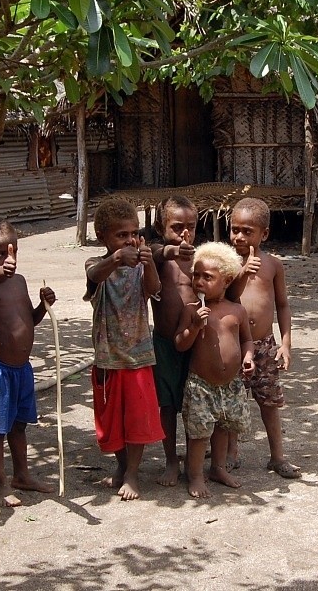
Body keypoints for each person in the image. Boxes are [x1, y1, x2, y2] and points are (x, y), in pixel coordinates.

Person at [0, 216, 56, 507]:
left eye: (14, 251)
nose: (10, 259)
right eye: (0, 253)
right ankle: (0, 483)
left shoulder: (19, 281)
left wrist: (43, 307)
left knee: (19, 426)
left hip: (22, 369)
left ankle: (22, 475)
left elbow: (29, 321)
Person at [85, 198, 164, 500]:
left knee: (136, 419)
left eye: (133, 233)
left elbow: (154, 289)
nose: (129, 240)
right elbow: (94, 276)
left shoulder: (139, 268)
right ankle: (120, 466)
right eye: (121, 235)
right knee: (112, 420)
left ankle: (132, 472)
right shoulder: (97, 265)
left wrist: (150, 262)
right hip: (108, 357)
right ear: (102, 237)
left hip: (139, 356)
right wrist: (118, 258)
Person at [175, 241, 254, 498]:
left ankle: (218, 468)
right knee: (199, 433)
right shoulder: (191, 311)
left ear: (227, 281)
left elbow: (246, 340)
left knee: (224, 426)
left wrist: (248, 357)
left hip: (230, 385)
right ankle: (195, 475)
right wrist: (195, 326)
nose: (198, 281)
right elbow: (180, 344)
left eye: (207, 277)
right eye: (196, 275)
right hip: (201, 385)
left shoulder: (237, 311)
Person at [227, 198, 298, 478]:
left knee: (269, 401)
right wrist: (242, 272)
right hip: (233, 345)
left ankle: (277, 456)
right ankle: (230, 453)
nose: (239, 237)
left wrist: (286, 343)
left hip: (265, 346)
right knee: (232, 400)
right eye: (235, 230)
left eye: (247, 231)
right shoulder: (225, 263)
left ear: (264, 234)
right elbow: (227, 297)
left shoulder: (273, 265)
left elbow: (282, 305)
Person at [148, 196, 198, 486]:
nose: (184, 234)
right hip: (164, 342)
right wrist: (169, 250)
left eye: (190, 226)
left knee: (193, 404)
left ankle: (193, 465)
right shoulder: (159, 256)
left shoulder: (198, 259)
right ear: (160, 227)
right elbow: (156, 253)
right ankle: (169, 460)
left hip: (194, 343)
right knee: (166, 404)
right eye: (177, 227)